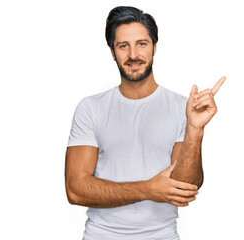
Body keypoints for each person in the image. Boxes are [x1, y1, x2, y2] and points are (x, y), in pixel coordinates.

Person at [65, 6, 226, 240]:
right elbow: (75, 189)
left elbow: (186, 187)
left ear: (154, 47)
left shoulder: (182, 107)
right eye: (123, 46)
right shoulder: (91, 107)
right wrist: (147, 189)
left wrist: (195, 129)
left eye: (141, 44)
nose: (133, 55)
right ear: (112, 52)